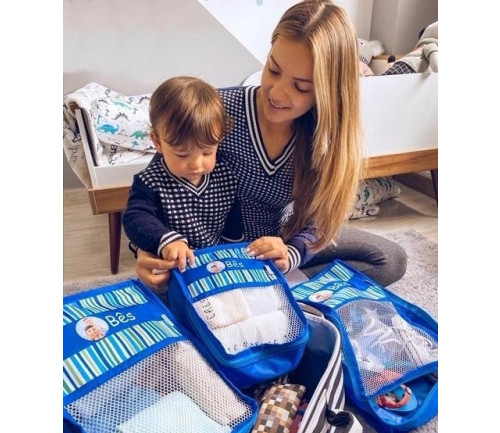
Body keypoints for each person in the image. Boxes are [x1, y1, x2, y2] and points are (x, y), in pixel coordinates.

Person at [132, 0, 407, 290]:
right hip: (212, 253)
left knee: (390, 259)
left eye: (301, 86)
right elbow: (156, 188)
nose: (277, 93)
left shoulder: (323, 136)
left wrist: (292, 253)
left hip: (277, 243)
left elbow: (320, 220)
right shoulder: (217, 112)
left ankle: (279, 289)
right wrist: (145, 251)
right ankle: (270, 290)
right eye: (273, 70)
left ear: (328, 91)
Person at [123, 76, 237, 271]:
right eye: (182, 154)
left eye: (207, 152)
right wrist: (167, 241)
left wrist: (235, 249)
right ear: (158, 142)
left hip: (215, 260)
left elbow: (233, 221)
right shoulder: (149, 181)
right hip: (174, 263)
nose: (196, 165)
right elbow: (135, 218)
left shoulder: (226, 174)